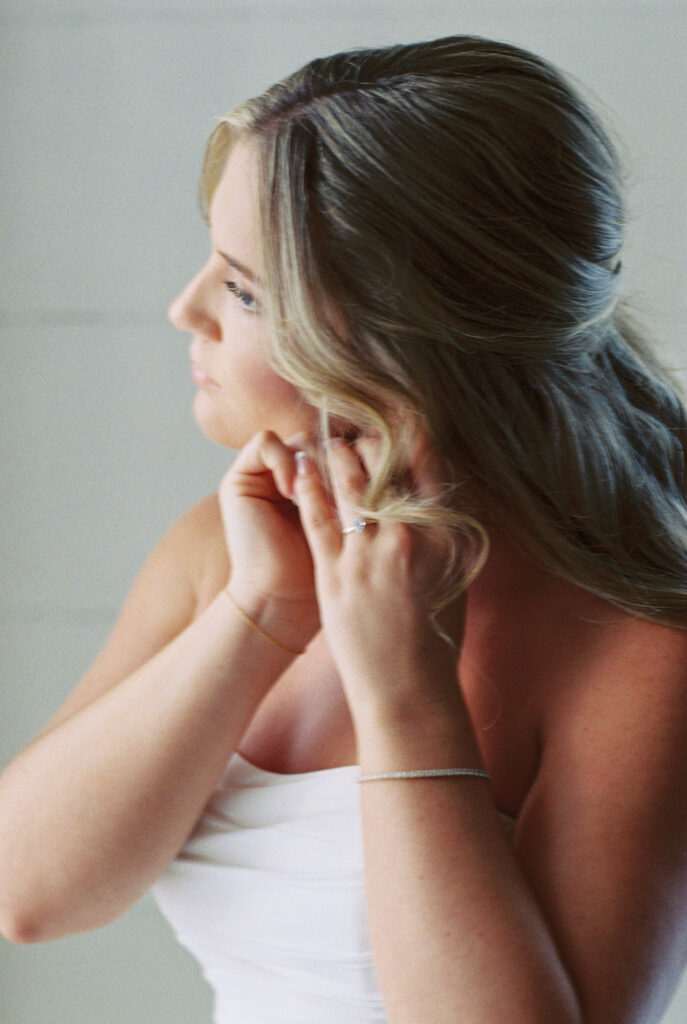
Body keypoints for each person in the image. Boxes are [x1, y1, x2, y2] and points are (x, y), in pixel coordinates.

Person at [1, 33, 687, 1024]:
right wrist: (258, 614)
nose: (183, 307)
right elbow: (31, 893)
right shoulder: (224, 553)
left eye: (243, 288)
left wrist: (404, 690)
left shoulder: (640, 652)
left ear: (403, 336)